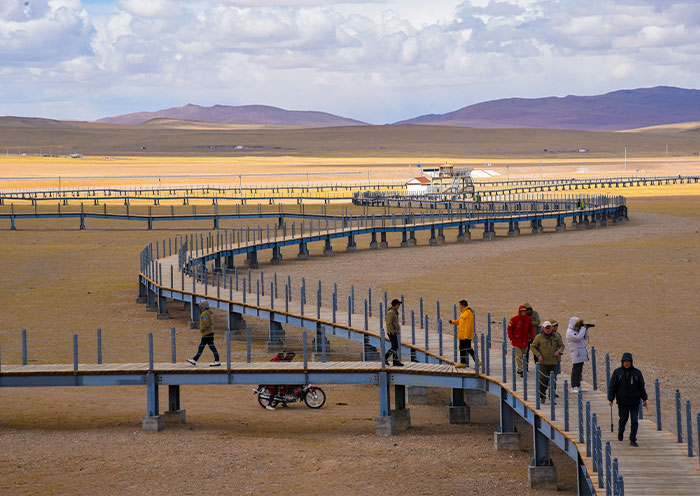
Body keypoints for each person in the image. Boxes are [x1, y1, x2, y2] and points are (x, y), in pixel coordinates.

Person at [608, 352, 648, 447]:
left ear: (631, 362)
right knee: (623, 419)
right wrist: (611, 398)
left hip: (634, 402)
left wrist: (644, 398)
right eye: (625, 361)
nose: (627, 363)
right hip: (622, 402)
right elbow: (612, 386)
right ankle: (620, 432)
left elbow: (641, 387)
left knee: (634, 421)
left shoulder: (637, 373)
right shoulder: (617, 373)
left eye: (628, 361)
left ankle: (633, 439)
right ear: (622, 362)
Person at [530, 321, 565, 402]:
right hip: (543, 363)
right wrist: (538, 355)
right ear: (543, 328)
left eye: (549, 327)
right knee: (543, 380)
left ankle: (552, 397)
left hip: (553, 362)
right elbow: (533, 347)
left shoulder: (556, 336)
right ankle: (542, 396)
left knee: (553, 380)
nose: (548, 329)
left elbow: (562, 346)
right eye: (546, 328)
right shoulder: (539, 337)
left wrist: (559, 351)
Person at [187, 300, 221, 367]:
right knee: (203, 347)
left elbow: (206, 323)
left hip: (207, 333)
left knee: (207, 347)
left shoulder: (205, 314)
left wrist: (202, 329)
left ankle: (216, 360)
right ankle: (195, 359)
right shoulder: (208, 312)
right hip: (210, 332)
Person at [449, 299, 479, 368]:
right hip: (462, 335)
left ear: (462, 306)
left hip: (466, 336)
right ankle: (463, 363)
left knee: (468, 348)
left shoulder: (469, 313)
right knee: (461, 348)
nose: (459, 307)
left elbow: (468, 326)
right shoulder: (463, 313)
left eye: (459, 306)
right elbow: (459, 321)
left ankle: (477, 361)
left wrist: (466, 336)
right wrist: (452, 322)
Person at [566, 317, 593, 393]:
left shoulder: (578, 331)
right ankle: (573, 386)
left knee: (579, 370)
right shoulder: (570, 332)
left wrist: (586, 330)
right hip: (576, 353)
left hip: (580, 352)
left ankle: (578, 385)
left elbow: (584, 338)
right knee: (575, 369)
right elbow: (578, 338)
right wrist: (583, 329)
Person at [507, 305, 534, 376]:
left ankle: (524, 368)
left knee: (524, 355)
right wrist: (511, 338)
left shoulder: (528, 319)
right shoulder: (514, 319)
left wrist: (530, 337)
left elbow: (531, 329)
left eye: (524, 311)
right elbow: (509, 329)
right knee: (519, 355)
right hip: (516, 341)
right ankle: (520, 370)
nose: (523, 312)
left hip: (525, 341)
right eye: (522, 311)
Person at [384, 298, 404, 366]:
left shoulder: (394, 312)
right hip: (391, 332)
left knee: (395, 346)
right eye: (398, 304)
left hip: (393, 332)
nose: (399, 305)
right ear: (395, 305)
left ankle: (395, 361)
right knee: (394, 346)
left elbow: (394, 323)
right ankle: (386, 358)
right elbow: (389, 323)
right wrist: (392, 331)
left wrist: (396, 331)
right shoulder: (391, 313)